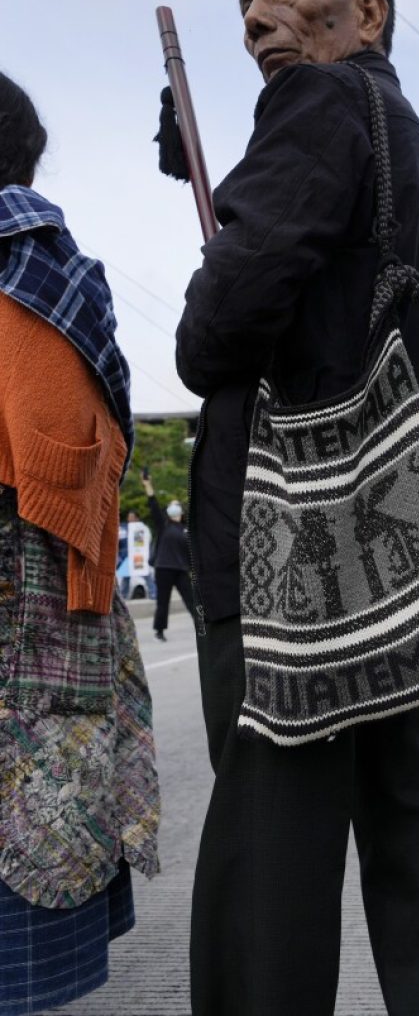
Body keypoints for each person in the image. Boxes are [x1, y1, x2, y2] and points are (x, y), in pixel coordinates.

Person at [174, 0, 419, 1013]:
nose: (258, 13)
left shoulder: (317, 101)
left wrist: (219, 260)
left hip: (282, 568)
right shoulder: (403, 132)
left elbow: (217, 329)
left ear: (368, 9)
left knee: (271, 872)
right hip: (398, 556)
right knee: (415, 848)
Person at [0, 72, 159, 1016]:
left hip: (21, 571)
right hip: (51, 586)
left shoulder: (25, 258)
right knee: (41, 798)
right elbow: (81, 437)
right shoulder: (55, 265)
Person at [142, 474, 195, 641]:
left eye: (176, 505)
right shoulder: (164, 525)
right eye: (171, 506)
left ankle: (202, 627)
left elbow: (191, 552)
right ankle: (159, 630)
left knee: (191, 600)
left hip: (181, 570)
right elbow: (153, 505)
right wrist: (148, 485)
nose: (173, 508)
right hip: (164, 568)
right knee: (163, 602)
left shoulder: (187, 529)